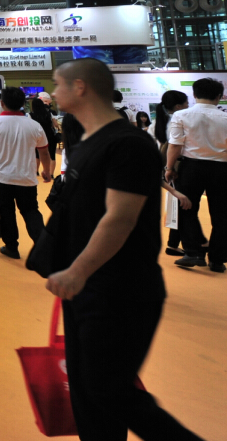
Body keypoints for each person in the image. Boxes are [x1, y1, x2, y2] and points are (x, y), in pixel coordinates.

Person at [46, 58, 204, 441]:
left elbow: (120, 218)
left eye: (58, 84)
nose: (53, 92)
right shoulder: (88, 143)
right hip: (87, 288)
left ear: (80, 87)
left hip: (121, 289)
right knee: (86, 392)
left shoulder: (128, 144)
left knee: (108, 389)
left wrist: (77, 270)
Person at [0, 86, 52, 259]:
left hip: (1, 178)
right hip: (27, 178)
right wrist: (47, 171)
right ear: (23, 104)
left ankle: (12, 248)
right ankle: (45, 249)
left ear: (2, 103)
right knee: (31, 211)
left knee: (6, 213)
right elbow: (44, 152)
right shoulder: (34, 125)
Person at [166, 77, 226, 273]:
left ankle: (193, 253)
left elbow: (175, 144)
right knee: (222, 214)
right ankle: (217, 260)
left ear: (194, 94)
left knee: (186, 209)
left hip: (191, 167)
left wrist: (169, 168)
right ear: (219, 96)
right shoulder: (225, 117)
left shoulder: (181, 115)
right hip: (222, 168)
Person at [153, 91, 201, 258]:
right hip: (177, 166)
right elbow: (174, 146)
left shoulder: (160, 121)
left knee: (180, 206)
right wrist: (169, 168)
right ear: (179, 106)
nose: (189, 105)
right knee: (185, 207)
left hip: (169, 165)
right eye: (187, 103)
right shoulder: (180, 119)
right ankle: (197, 243)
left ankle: (173, 244)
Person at [31, 95, 58, 167]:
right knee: (52, 156)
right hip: (50, 135)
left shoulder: (31, 115)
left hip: (37, 136)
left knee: (37, 155)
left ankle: (36, 171)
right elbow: (56, 124)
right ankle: (50, 172)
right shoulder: (49, 114)